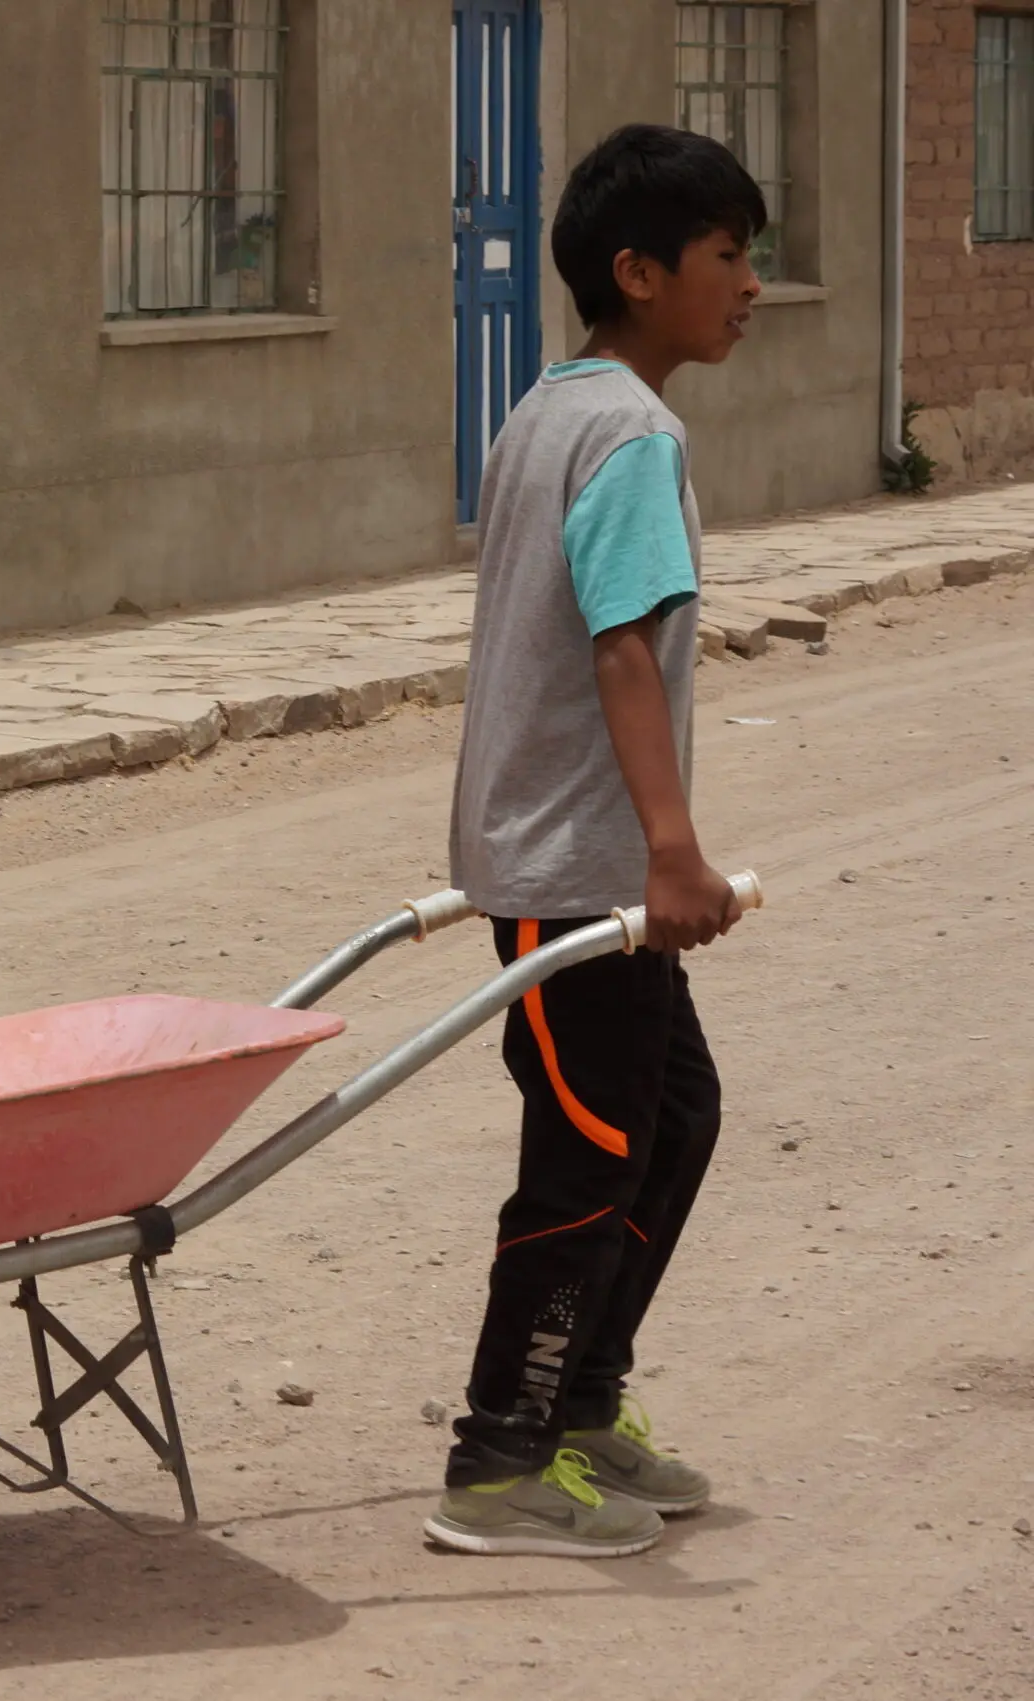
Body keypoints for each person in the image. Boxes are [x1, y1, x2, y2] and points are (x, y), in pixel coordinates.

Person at [427, 123, 760, 1558]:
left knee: (671, 1119)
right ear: (640, 272)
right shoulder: (631, 430)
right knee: (592, 1155)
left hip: (574, 865)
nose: (750, 283)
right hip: (579, 872)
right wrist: (673, 853)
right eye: (729, 257)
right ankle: (502, 1457)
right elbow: (624, 646)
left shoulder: (546, 407)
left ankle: (580, 1411)